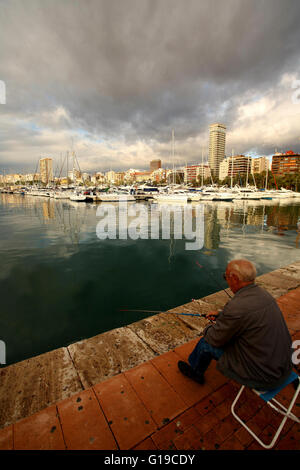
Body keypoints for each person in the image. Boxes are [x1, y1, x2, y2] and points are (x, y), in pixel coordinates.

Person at [178, 259, 293, 391]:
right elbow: (247, 316)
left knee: (205, 343)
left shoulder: (236, 307)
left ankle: (195, 372)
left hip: (264, 377)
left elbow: (214, 338)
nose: (226, 280)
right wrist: (222, 315)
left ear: (235, 278)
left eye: (225, 276)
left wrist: (213, 326)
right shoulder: (264, 294)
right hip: (284, 366)